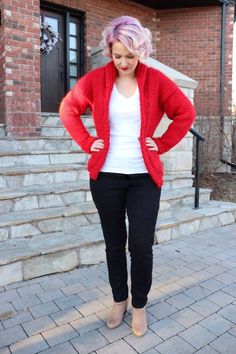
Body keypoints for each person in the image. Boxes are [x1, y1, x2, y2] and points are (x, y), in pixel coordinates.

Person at [59, 15, 196, 336]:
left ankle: (139, 306)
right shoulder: (95, 80)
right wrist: (87, 142)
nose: (123, 62)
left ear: (142, 52)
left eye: (130, 56)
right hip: (106, 177)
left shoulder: (157, 81)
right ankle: (119, 300)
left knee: (141, 245)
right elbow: (68, 109)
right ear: (110, 50)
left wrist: (160, 143)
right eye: (117, 54)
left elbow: (184, 112)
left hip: (144, 178)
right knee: (113, 244)